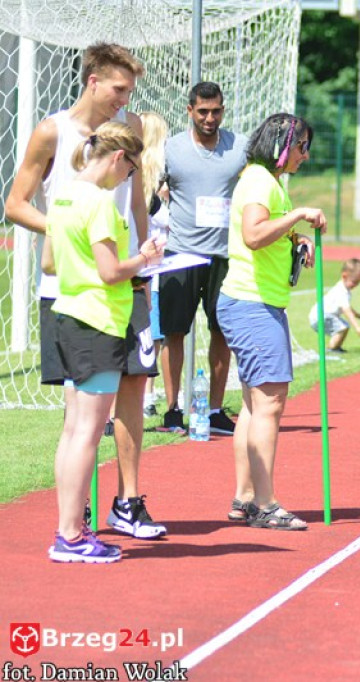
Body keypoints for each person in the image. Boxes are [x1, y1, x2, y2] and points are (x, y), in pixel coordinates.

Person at [4, 42, 166, 540]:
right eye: (119, 89)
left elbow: (136, 198)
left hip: (128, 277)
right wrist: (67, 231)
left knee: (134, 389)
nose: (125, 99)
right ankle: (74, 520)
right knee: (83, 408)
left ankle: (128, 501)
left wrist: (145, 252)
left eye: (130, 91)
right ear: (93, 80)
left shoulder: (131, 129)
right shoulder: (53, 130)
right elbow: (15, 204)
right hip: (71, 288)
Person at [46, 122, 165, 562]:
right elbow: (112, 271)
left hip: (69, 315)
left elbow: (50, 261)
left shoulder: (62, 195)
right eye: (131, 170)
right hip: (97, 321)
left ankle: (68, 530)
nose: (128, 179)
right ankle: (71, 536)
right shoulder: (98, 202)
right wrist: (146, 257)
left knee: (73, 432)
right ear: (118, 158)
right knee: (87, 435)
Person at [216, 112, 324, 530]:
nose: (306, 155)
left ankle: (246, 498)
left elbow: (264, 233)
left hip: (254, 302)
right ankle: (265, 503)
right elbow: (254, 234)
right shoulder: (261, 181)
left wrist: (294, 239)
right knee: (270, 404)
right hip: (253, 304)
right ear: (282, 145)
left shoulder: (266, 182)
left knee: (253, 404)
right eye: (301, 146)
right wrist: (298, 218)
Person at [160, 82, 249, 436]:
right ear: (189, 111)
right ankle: (171, 410)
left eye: (216, 112)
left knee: (221, 331)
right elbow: (150, 189)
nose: (210, 118)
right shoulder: (171, 150)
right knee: (174, 332)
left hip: (224, 256)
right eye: (203, 112)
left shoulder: (239, 147)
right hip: (179, 253)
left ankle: (214, 410)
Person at [139, 111, 171, 417]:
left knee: (152, 336)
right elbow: (164, 219)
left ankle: (146, 397)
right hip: (148, 270)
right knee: (149, 336)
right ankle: (143, 397)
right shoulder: (145, 182)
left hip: (149, 269)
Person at [309, 257, 360, 352]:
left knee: (343, 326)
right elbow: (346, 310)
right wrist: (357, 327)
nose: (356, 285)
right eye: (354, 282)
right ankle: (332, 349)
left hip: (319, 316)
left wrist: (358, 315)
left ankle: (336, 347)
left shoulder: (344, 290)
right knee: (342, 327)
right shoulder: (342, 291)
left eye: (358, 283)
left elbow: (348, 307)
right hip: (321, 316)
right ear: (344, 276)